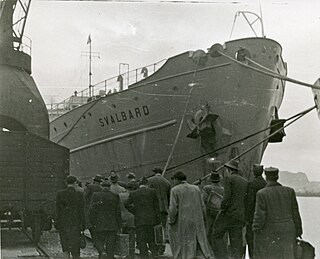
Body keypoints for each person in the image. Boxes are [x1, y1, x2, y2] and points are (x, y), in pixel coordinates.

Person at [253, 167, 303, 259]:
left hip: (270, 232)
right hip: (289, 231)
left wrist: (255, 229)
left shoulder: (261, 193)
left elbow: (259, 216)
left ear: (266, 177)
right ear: (277, 176)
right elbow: (295, 213)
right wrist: (299, 230)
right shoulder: (289, 191)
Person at [168, 171, 212, 259]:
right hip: (197, 219)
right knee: (199, 242)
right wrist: (203, 218)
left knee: (184, 244)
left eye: (174, 179)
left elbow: (173, 209)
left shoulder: (175, 190)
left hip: (183, 220)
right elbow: (202, 205)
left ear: (177, 179)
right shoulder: (196, 189)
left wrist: (171, 220)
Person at [212, 160, 248, 259]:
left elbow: (227, 197)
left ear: (229, 169)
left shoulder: (229, 178)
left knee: (216, 234)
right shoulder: (245, 181)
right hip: (240, 215)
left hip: (229, 214)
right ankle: (236, 257)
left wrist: (222, 210)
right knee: (236, 237)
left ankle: (221, 256)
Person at [124, 177, 160, 259]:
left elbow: (126, 204)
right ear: (147, 184)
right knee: (151, 239)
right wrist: (157, 219)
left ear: (139, 185)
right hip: (151, 220)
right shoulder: (153, 192)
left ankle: (144, 256)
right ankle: (154, 254)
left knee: (141, 240)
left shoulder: (134, 193)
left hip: (139, 220)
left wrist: (135, 212)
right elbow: (157, 206)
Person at [88, 180, 122, 259]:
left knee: (99, 240)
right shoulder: (115, 196)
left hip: (99, 223)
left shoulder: (96, 195)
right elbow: (118, 212)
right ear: (109, 187)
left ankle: (102, 252)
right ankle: (110, 256)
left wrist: (91, 221)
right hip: (112, 224)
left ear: (101, 186)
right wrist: (119, 225)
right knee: (111, 244)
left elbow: (92, 209)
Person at [56, 175, 85, 259]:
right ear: (75, 182)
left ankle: (66, 255)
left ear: (66, 182)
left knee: (65, 243)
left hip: (63, 222)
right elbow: (82, 211)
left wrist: (57, 223)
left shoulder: (60, 194)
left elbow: (58, 210)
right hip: (76, 223)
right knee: (75, 244)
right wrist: (83, 224)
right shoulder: (79, 194)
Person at [147, 167, 171, 255]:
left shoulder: (150, 181)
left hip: (153, 208)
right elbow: (169, 198)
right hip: (164, 208)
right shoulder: (167, 182)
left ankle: (155, 247)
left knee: (154, 228)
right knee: (163, 228)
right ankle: (162, 247)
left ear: (154, 172)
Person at [245, 164, 267, 259]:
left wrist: (246, 218)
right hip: (265, 218)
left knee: (251, 241)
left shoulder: (251, 184)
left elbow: (249, 202)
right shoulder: (266, 184)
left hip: (253, 218)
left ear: (254, 172)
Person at [202, 171, 224, 248]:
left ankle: (208, 249)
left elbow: (203, 200)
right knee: (218, 231)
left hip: (210, 212)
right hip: (220, 213)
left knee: (208, 230)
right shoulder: (223, 189)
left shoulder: (207, 188)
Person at [120, 181, 138, 259]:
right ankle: (131, 255)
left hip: (122, 219)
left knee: (123, 238)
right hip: (132, 220)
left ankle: (123, 254)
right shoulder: (135, 195)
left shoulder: (120, 195)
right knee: (131, 239)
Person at [84, 174, 103, 244]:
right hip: (99, 208)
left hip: (90, 208)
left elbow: (85, 196)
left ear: (94, 181)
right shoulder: (101, 188)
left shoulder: (89, 186)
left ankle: (95, 241)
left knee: (90, 225)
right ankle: (98, 241)